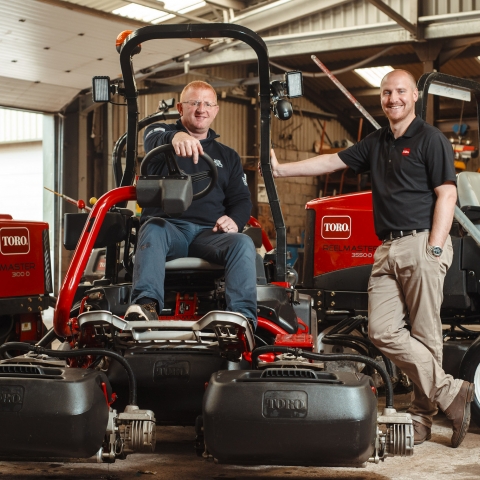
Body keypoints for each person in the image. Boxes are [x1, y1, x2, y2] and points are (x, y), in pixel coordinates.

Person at [268, 69, 474, 448]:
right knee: (381, 331)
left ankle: (421, 420)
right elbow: (331, 161)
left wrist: (434, 247)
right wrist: (281, 170)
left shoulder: (431, 139)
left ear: (414, 96)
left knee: (427, 337)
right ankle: (451, 392)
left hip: (421, 245)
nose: (391, 98)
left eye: (399, 92)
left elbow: (447, 195)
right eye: (385, 93)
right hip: (387, 249)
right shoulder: (377, 142)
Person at [125, 80, 257, 329]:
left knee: (243, 242)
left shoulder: (228, 156)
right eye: (194, 103)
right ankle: (145, 305)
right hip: (170, 230)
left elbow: (241, 200)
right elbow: (152, 137)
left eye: (207, 104)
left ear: (215, 110)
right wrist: (177, 136)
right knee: (152, 227)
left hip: (210, 235)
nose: (201, 109)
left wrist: (235, 220)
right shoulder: (160, 137)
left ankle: (242, 318)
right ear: (180, 107)